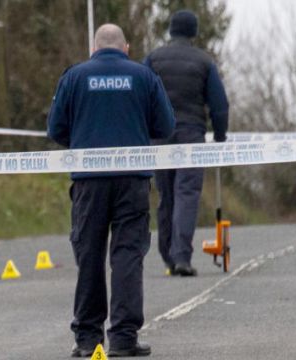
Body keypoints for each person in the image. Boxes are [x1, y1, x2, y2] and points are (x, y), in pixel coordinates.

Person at [47, 24, 175, 358]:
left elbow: (55, 128)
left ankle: (88, 339)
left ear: (93, 48)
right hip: (132, 180)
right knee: (127, 255)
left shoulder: (74, 77)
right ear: (126, 47)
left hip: (88, 182)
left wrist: (83, 139)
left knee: (89, 254)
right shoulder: (144, 77)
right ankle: (123, 338)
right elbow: (165, 125)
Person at [144, 10, 229, 277]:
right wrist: (219, 135)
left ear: (171, 31)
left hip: (160, 135)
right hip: (191, 133)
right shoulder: (204, 61)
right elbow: (219, 105)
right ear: (193, 32)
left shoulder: (153, 59)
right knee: (187, 193)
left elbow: (140, 94)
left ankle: (167, 254)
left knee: (166, 194)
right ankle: (181, 256)